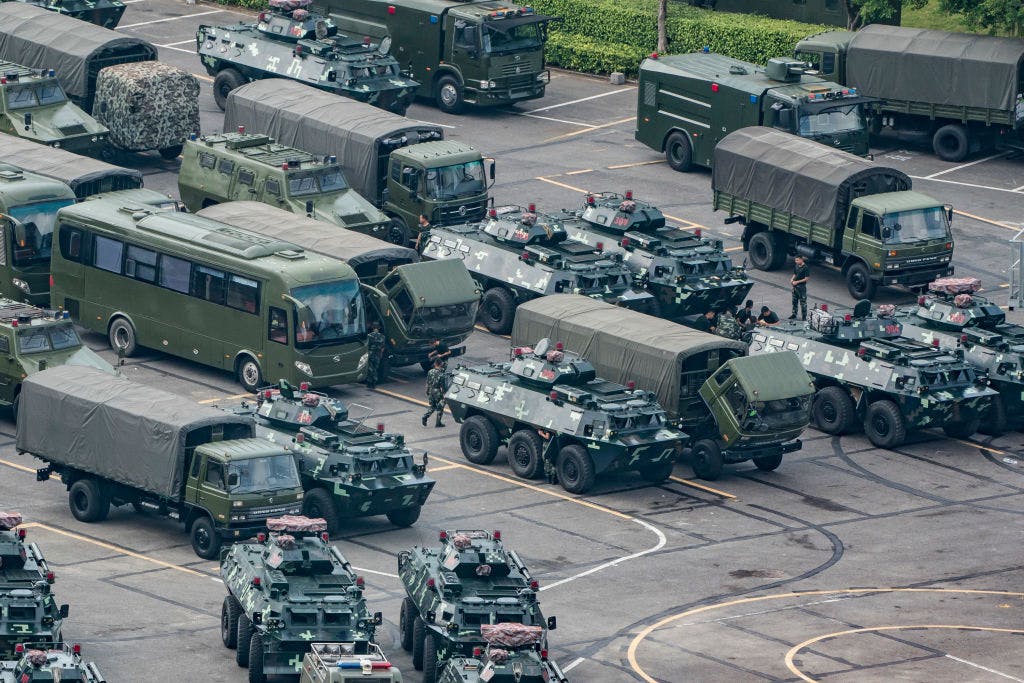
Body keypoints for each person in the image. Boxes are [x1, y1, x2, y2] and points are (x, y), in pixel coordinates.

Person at [422, 358, 447, 428]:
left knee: (432, 406)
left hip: (431, 390)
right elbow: (443, 386)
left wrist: (427, 391)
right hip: (437, 391)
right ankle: (438, 423)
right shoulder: (441, 374)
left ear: (435, 364)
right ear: (441, 364)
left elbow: (427, 382)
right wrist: (444, 394)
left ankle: (425, 416)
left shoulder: (430, 371)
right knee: (440, 407)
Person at [365, 322, 385, 389]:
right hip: (378, 354)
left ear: (372, 327)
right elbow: (382, 347)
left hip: (371, 353)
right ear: (379, 328)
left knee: (370, 368)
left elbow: (367, 345)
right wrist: (380, 354)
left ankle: (369, 383)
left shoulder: (369, 336)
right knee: (375, 369)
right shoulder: (382, 336)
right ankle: (374, 383)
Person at [790, 256, 810, 320]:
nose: (796, 261)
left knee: (803, 303)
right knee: (794, 301)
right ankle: (794, 314)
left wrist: (797, 282)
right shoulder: (796, 266)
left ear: (801, 260)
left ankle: (804, 317)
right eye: (795, 260)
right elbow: (795, 274)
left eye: (797, 260)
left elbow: (806, 278)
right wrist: (792, 279)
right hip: (795, 287)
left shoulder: (805, 268)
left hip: (801, 288)